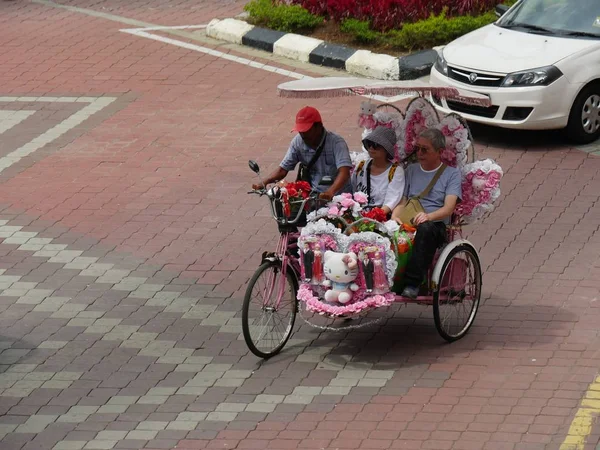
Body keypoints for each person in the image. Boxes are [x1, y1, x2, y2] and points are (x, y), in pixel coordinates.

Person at [391, 128, 462, 299]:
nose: (420, 153)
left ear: (439, 152)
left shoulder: (452, 174)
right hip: (410, 220)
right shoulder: (411, 170)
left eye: (425, 149)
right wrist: (394, 217)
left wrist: (429, 216)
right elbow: (403, 201)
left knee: (426, 229)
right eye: (418, 149)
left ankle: (412, 283)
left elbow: (449, 208)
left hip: (435, 225)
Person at [252, 106, 352, 200]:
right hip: (314, 195)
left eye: (306, 130)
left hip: (339, 196)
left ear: (318, 127)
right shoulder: (298, 142)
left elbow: (344, 172)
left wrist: (330, 192)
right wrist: (264, 182)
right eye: (300, 131)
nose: (303, 134)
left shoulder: (336, 142)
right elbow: (282, 170)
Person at [352, 126, 405, 216]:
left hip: (381, 217)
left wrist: (371, 217)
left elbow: (390, 202)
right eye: (369, 144)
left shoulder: (395, 171)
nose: (371, 148)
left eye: (376, 145)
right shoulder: (361, 166)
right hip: (358, 214)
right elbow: (353, 190)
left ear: (386, 150)